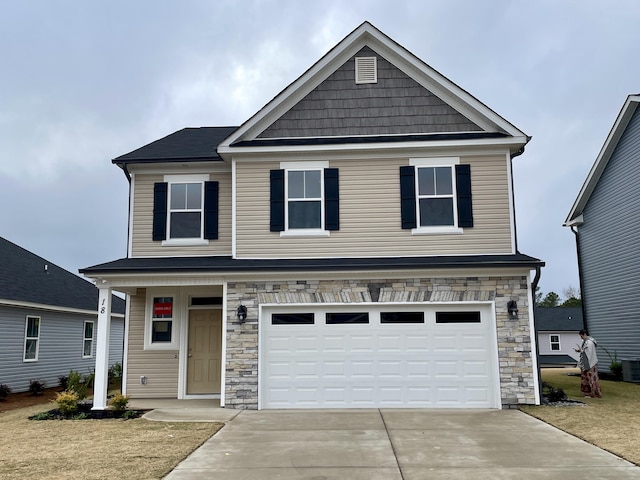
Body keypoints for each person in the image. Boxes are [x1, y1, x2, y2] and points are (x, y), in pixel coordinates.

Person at [575, 329, 602, 398]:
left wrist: (581, 351)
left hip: (590, 363)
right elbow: (585, 351)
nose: (581, 338)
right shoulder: (588, 342)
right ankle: (588, 392)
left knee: (591, 378)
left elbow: (587, 353)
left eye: (581, 336)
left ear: (584, 334)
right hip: (592, 362)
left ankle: (593, 393)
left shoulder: (589, 342)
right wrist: (581, 350)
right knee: (589, 378)